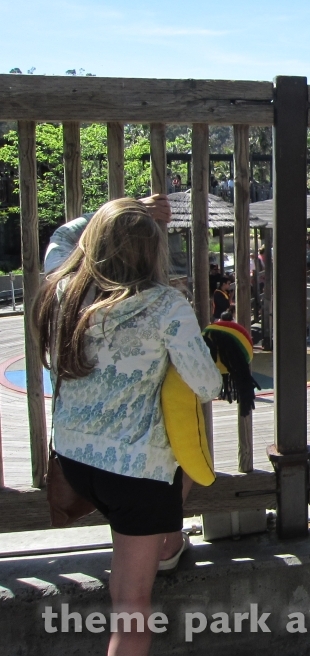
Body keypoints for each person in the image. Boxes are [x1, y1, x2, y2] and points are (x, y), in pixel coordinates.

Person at [35, 196, 222, 656]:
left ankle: (166, 540)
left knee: (125, 577)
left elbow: (61, 238)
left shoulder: (63, 289)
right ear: (152, 251)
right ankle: (168, 543)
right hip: (135, 477)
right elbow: (207, 385)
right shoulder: (166, 306)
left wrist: (125, 207)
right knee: (132, 606)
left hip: (76, 461)